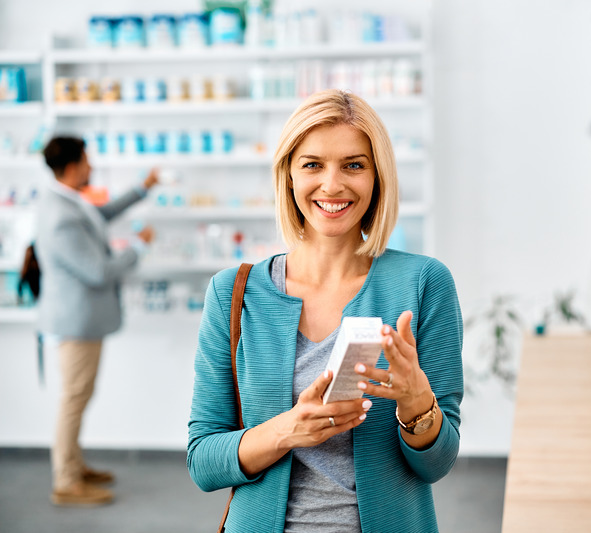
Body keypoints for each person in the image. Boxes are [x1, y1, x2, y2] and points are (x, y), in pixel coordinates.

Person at [188, 89, 464, 532]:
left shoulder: (422, 283)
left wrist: (416, 402)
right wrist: (287, 430)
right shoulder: (233, 294)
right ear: (289, 176)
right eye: (312, 164)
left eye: (354, 165)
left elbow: (438, 461)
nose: (332, 185)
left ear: (378, 177)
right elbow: (203, 461)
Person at [37, 136, 158, 506]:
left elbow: (100, 215)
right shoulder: (60, 216)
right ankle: (66, 481)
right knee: (74, 399)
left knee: (80, 395)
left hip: (83, 320)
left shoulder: (69, 201)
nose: (91, 167)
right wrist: (137, 247)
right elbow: (97, 271)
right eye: (87, 161)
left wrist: (142, 189)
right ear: (73, 165)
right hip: (76, 322)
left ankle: (74, 464)